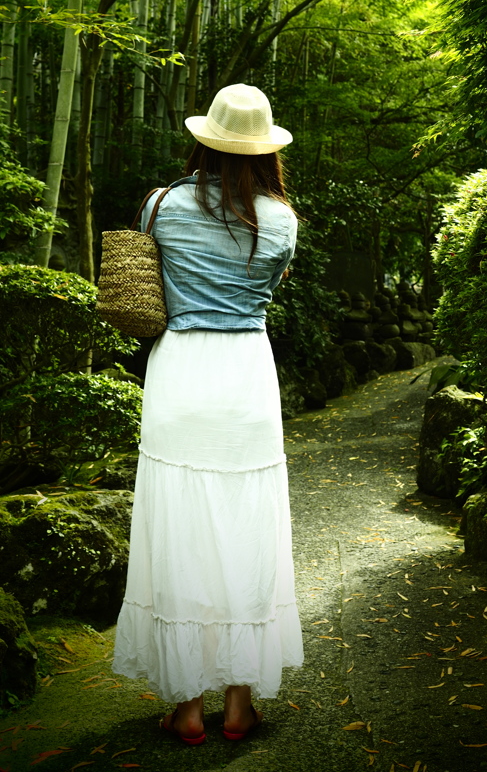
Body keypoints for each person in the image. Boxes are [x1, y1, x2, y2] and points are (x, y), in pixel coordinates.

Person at [112, 84, 304, 745]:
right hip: (248, 375)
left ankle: (187, 705)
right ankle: (240, 704)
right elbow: (265, 287)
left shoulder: (161, 205)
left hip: (182, 373)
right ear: (265, 149)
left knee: (182, 529)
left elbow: (146, 285)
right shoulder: (283, 219)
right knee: (246, 530)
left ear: (205, 139)